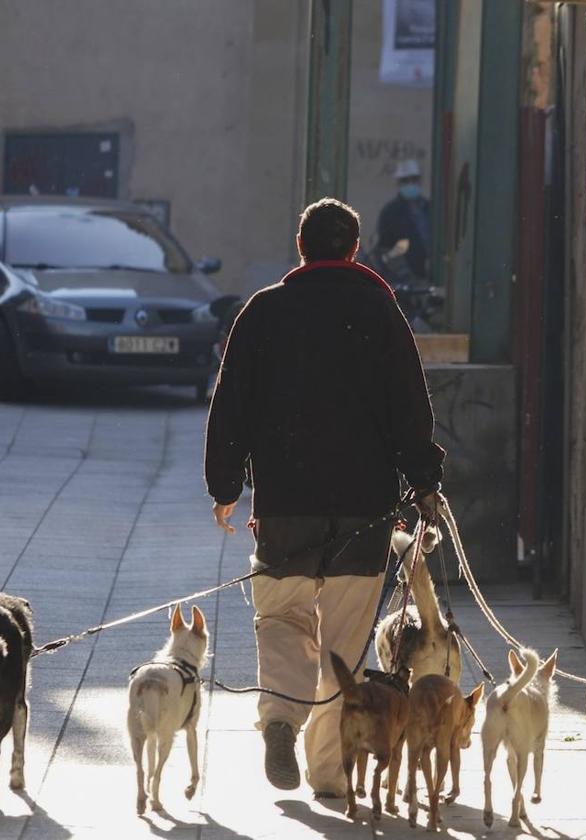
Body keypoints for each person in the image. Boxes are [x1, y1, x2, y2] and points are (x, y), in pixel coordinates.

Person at [204, 197, 445, 797]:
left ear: (300, 247)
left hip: (285, 506)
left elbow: (230, 401)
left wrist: (225, 486)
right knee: (344, 647)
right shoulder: (381, 310)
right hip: (365, 511)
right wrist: (424, 483)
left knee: (282, 618)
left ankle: (280, 719)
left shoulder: (263, 311)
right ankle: (331, 777)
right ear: (355, 249)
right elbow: (410, 406)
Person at [375, 159, 432, 280]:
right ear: (399, 183)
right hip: (404, 281)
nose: (410, 184)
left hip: (431, 276)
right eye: (405, 180)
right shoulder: (390, 213)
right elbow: (385, 249)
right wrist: (404, 274)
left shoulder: (430, 209)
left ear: (419, 181)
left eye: (414, 179)